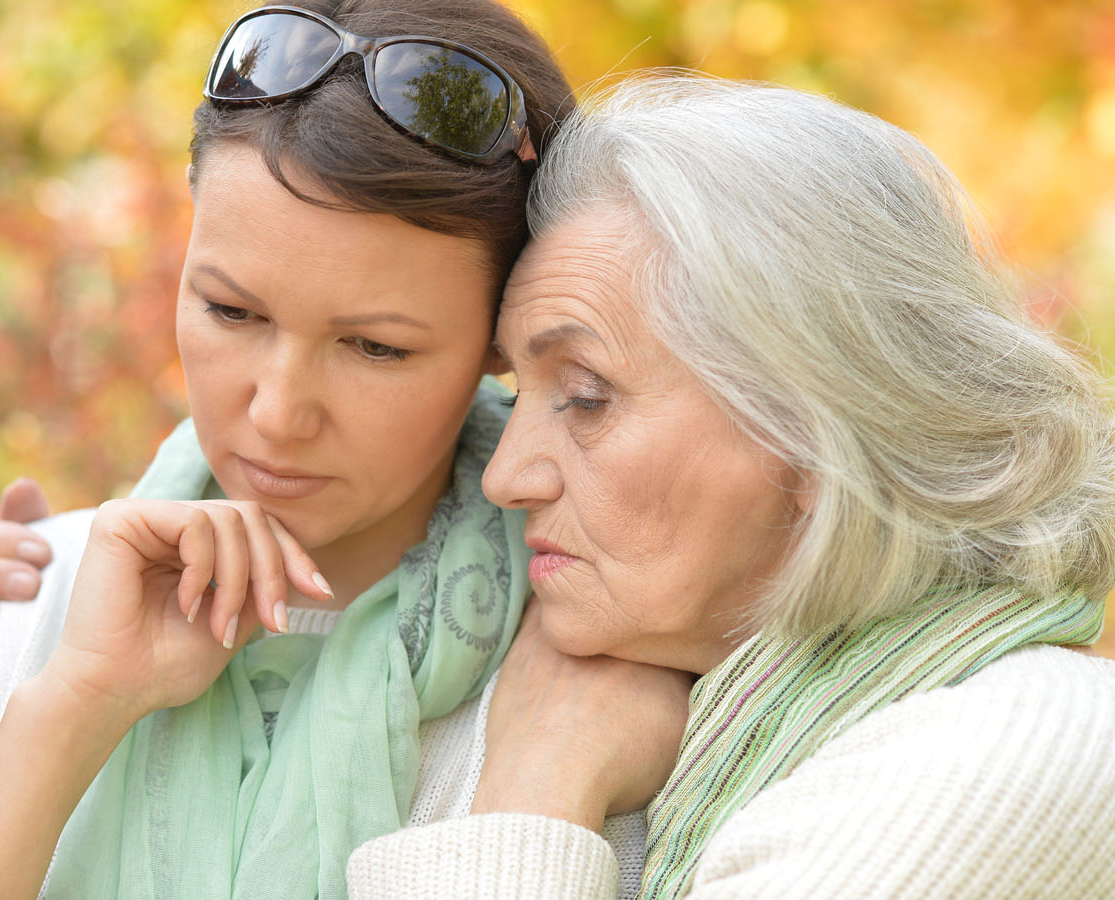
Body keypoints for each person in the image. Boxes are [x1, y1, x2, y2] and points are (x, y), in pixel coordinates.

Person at [0, 4, 691, 899]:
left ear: (505, 340)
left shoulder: (617, 670)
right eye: (231, 311)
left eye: (376, 347)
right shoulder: (24, 601)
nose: (276, 415)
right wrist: (70, 710)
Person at [341, 75, 1115, 897]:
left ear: (816, 433)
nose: (504, 477)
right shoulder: (568, 683)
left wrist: (538, 782)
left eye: (587, 396)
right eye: (515, 394)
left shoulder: (1014, 753)